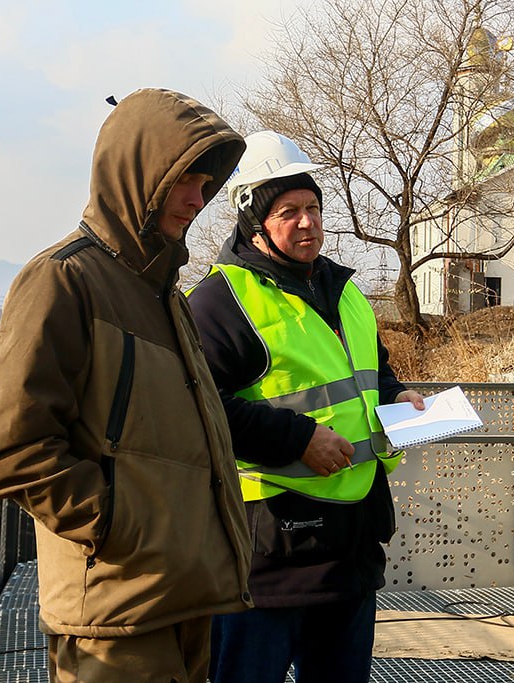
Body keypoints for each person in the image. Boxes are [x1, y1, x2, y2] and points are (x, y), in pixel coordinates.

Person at [0, 89, 253, 683]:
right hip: (116, 615)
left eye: (207, 184)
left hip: (185, 598)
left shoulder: (163, 292)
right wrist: (118, 524)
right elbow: (8, 451)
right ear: (137, 175)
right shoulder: (63, 280)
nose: (197, 200)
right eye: (184, 180)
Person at [186, 130, 425, 683]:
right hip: (269, 558)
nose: (307, 222)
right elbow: (198, 407)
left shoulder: (345, 291)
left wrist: (397, 396)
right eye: (288, 211)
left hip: (351, 548)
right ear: (254, 221)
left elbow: (372, 371)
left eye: (313, 208)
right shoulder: (221, 301)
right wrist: (296, 439)